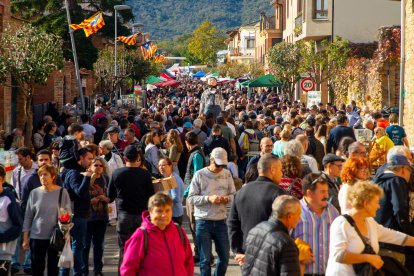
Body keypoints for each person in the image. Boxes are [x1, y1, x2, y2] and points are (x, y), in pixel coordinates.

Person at [326, 181, 414, 275]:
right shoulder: (341, 223)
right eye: (376, 202)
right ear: (365, 203)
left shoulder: (370, 222)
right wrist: (368, 258)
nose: (378, 206)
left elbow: (394, 236)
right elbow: (338, 256)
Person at [228, 153, 286, 266]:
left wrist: (237, 251)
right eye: (280, 170)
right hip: (270, 256)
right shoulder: (278, 193)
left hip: (246, 255)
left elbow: (232, 224)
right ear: (272, 170)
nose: (282, 174)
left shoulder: (241, 193)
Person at [188, 147, 236, 276]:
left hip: (221, 220)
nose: (220, 168)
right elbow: (191, 198)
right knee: (205, 260)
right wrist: (208, 198)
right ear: (211, 160)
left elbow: (233, 195)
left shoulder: (227, 174)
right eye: (217, 164)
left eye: (222, 165)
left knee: (225, 257)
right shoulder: (200, 174)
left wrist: (227, 199)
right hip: (203, 221)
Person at [120, 193, 194, 275]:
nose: (163, 215)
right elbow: (128, 269)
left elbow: (188, 261)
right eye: (159, 211)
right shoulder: (141, 235)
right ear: (150, 212)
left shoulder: (179, 231)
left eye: (167, 210)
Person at [107, 145, 155, 270]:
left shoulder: (117, 173)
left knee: (124, 251)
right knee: (142, 250)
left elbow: (110, 196)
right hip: (141, 216)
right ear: (138, 157)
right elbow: (151, 196)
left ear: (124, 158)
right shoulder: (145, 174)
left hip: (124, 216)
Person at [22, 165, 72, 276]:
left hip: (55, 236)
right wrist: (25, 238)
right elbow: (28, 216)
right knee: (36, 268)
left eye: (45, 174)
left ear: (53, 176)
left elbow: (67, 215)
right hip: (37, 236)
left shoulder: (62, 192)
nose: (42, 177)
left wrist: (67, 233)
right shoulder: (34, 193)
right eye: (40, 175)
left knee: (53, 268)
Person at [291, 173, 340, 275]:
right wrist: (298, 253)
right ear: (309, 193)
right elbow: (283, 241)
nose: (327, 195)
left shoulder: (333, 212)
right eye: (322, 192)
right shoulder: (294, 211)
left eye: (327, 191)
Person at [242, 195, 302, 275]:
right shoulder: (287, 244)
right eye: (298, 214)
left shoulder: (256, 229)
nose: (299, 218)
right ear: (289, 217)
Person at [373, 154, 413, 264]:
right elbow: (400, 211)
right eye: (410, 170)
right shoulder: (397, 181)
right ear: (404, 169)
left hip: (378, 242)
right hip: (395, 244)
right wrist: (410, 234)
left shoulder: (375, 181)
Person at [60, 148, 94, 276]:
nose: (90, 162)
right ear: (81, 158)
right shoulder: (75, 173)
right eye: (89, 158)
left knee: (72, 246)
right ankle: (75, 273)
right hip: (75, 215)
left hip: (78, 214)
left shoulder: (76, 171)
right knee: (75, 246)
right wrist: (87, 178)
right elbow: (79, 192)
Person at [10, 147, 37, 275]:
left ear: (28, 157)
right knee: (16, 234)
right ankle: (15, 263)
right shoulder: (17, 171)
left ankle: (28, 263)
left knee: (31, 234)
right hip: (19, 206)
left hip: (34, 207)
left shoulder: (37, 170)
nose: (18, 161)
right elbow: (13, 188)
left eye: (20, 158)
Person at [81, 157, 110, 276]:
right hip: (87, 217)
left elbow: (111, 196)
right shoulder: (85, 178)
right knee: (85, 245)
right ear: (90, 166)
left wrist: (106, 198)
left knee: (99, 245)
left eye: (100, 166)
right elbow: (80, 195)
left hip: (101, 216)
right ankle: (84, 270)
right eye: (95, 165)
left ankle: (98, 270)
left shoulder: (106, 179)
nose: (98, 168)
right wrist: (89, 200)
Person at [183, 131, 205, 263]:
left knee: (194, 224)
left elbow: (196, 176)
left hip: (193, 194)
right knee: (193, 225)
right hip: (193, 193)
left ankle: (199, 253)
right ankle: (200, 252)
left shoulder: (196, 154)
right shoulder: (197, 153)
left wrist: (187, 192)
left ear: (187, 142)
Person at [0, 165, 22, 276]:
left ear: (2, 179)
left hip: (2, 254)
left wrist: (2, 237)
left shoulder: (9, 199)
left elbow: (18, 227)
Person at [158, 157, 185, 225]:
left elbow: (175, 198)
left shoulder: (172, 179)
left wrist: (161, 201)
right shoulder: (168, 178)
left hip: (174, 215)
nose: (161, 167)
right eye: (159, 165)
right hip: (171, 213)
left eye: (164, 165)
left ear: (170, 166)